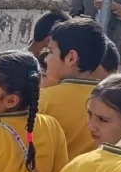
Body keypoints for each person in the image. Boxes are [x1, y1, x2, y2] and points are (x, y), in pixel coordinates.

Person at [42, 18, 108, 160]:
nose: (46, 59)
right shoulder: (110, 99)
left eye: (50, 52)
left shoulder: (44, 99)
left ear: (71, 58)